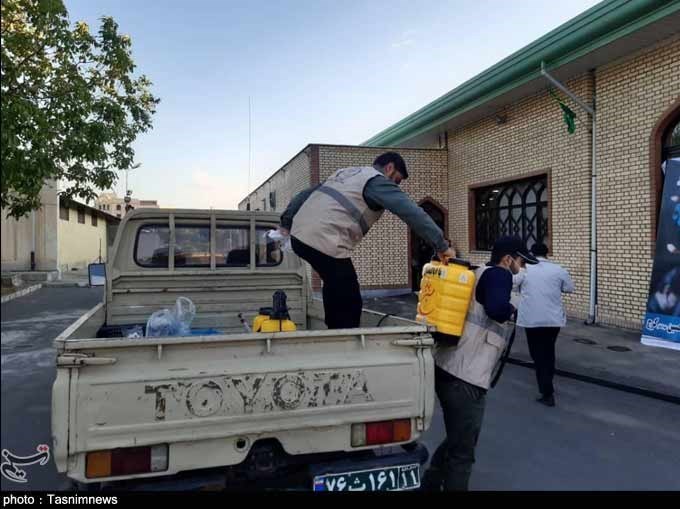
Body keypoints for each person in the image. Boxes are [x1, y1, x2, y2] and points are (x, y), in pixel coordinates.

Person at [279, 152, 456, 329]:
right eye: (396, 180)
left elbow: (305, 194)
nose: (395, 186)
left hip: (299, 236)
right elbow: (411, 212)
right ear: (389, 168)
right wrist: (442, 246)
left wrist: (286, 222)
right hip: (324, 239)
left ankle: (334, 329)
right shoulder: (377, 181)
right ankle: (345, 337)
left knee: (335, 282)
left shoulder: (346, 173)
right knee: (349, 296)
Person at [424, 236, 538, 491]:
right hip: (466, 375)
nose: (522, 268)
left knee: (457, 438)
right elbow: (496, 309)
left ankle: (430, 483)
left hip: (447, 364)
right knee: (463, 452)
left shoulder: (479, 273)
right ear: (507, 259)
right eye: (521, 262)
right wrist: (513, 306)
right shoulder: (500, 274)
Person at [516, 242, 575, 407]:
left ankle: (547, 391)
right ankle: (547, 380)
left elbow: (513, 285)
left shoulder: (525, 270)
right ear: (547, 254)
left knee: (537, 354)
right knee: (548, 351)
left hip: (532, 319)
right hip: (553, 320)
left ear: (531, 254)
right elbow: (569, 288)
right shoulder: (558, 269)